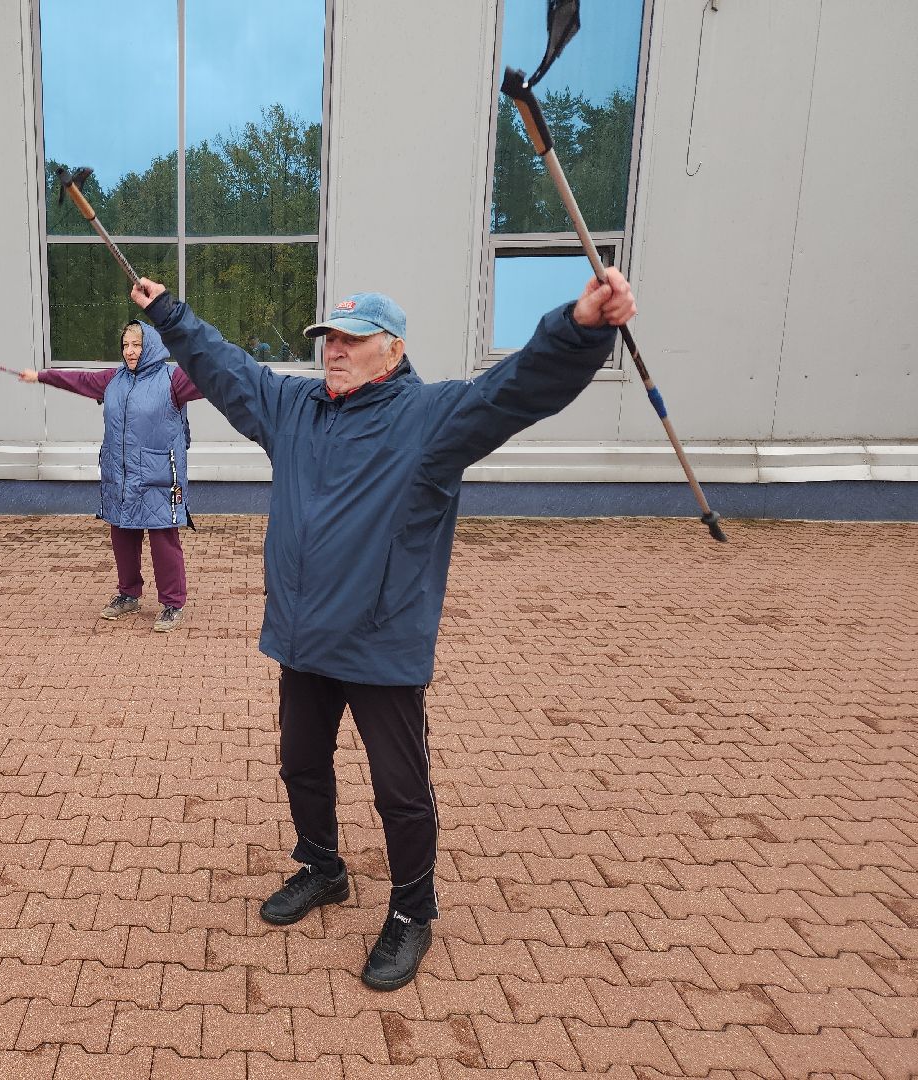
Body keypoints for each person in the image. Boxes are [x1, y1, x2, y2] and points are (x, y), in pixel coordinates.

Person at [130, 270, 636, 990]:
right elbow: (228, 367)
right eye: (328, 338)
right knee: (301, 764)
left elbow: (516, 390)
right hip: (303, 636)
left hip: (380, 643)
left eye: (352, 339)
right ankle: (323, 868)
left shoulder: (431, 418)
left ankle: (411, 911)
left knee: (399, 790)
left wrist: (581, 328)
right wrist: (172, 316)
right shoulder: (292, 407)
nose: (334, 350)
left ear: (391, 351)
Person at [20, 320, 203, 631]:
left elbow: (213, 377)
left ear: (152, 347)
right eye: (125, 346)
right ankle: (128, 594)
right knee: (122, 535)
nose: (130, 352)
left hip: (158, 476)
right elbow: (78, 380)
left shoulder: (173, 379)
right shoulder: (113, 381)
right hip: (120, 477)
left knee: (163, 541)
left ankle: (172, 603)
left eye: (137, 345)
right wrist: (41, 376)